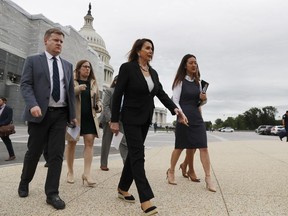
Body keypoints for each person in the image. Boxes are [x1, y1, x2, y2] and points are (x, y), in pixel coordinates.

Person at [110, 38, 187, 216]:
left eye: (152, 48)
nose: (150, 51)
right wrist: (114, 119)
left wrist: (176, 110)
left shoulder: (153, 72)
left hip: (145, 119)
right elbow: (117, 95)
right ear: (138, 51)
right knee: (138, 155)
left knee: (134, 154)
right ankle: (146, 199)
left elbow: (160, 93)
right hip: (129, 118)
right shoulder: (127, 68)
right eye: (147, 48)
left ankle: (122, 188)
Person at [18, 28, 76, 210]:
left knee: (56, 155)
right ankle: (24, 181)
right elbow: (25, 84)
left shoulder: (67, 65)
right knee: (34, 152)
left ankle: (52, 193)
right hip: (39, 114)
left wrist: (72, 115)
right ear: (46, 41)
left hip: (60, 115)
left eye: (61, 41)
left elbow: (69, 91)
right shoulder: (33, 61)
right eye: (56, 40)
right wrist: (32, 104)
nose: (59, 43)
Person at [167, 54, 216, 192]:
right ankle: (171, 171)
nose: (194, 65)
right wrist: (181, 115)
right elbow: (175, 100)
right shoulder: (179, 81)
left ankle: (208, 178)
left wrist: (204, 98)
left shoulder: (199, 83)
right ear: (185, 65)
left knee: (203, 147)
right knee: (180, 147)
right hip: (183, 116)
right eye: (191, 63)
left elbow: (201, 102)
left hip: (197, 117)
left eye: (195, 63)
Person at [65, 60, 102, 186]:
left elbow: (98, 100)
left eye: (89, 67)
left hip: (90, 118)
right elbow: (66, 95)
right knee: (71, 143)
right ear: (79, 69)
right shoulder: (73, 82)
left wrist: (98, 106)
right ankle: (70, 171)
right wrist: (77, 89)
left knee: (89, 142)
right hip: (75, 118)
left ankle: (87, 174)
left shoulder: (94, 83)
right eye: (85, 67)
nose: (87, 69)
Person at [99, 75, 128, 171]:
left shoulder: (126, 93)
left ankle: (126, 165)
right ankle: (103, 164)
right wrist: (110, 120)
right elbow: (106, 106)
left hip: (121, 119)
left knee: (122, 141)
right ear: (115, 81)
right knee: (106, 141)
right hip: (109, 119)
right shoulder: (109, 91)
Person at [0, 97, 16, 161]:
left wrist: (1, 124)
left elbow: (9, 119)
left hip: (3, 128)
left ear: (4, 101)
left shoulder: (9, 109)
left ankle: (12, 155)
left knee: (7, 141)